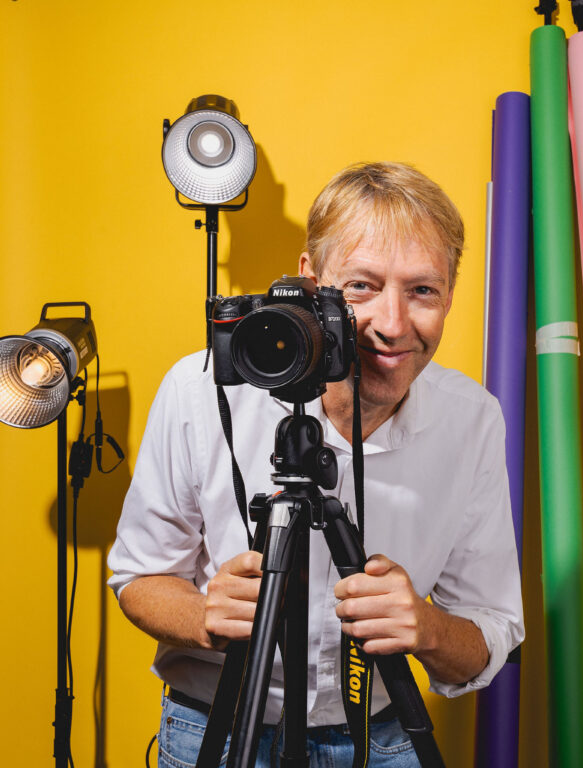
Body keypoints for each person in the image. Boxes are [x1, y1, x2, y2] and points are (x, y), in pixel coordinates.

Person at [108, 162, 524, 767]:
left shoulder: (472, 419)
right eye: (361, 286)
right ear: (310, 280)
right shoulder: (201, 390)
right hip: (214, 731)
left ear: (452, 293)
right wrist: (205, 616)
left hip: (377, 738)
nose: (392, 323)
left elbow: (491, 631)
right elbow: (138, 579)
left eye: (422, 290)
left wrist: (427, 628)